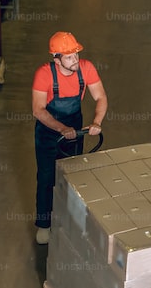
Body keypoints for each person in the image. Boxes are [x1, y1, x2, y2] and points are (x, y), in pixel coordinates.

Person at [31, 31, 107, 245]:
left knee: (72, 176)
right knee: (46, 178)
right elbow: (38, 110)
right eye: (69, 57)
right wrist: (62, 128)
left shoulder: (86, 68)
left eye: (76, 55)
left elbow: (101, 97)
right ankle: (44, 225)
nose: (75, 60)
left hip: (75, 128)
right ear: (56, 59)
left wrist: (96, 122)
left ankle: (68, 220)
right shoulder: (44, 74)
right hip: (48, 131)